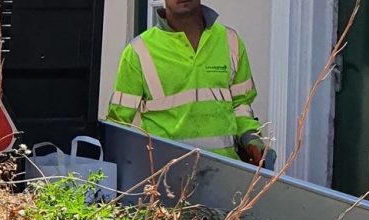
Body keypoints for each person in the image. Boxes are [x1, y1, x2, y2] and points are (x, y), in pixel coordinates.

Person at [107, 1, 272, 167]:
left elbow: (241, 105)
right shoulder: (138, 52)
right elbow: (119, 127)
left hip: (223, 173)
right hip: (164, 177)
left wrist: (250, 138)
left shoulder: (231, 42)